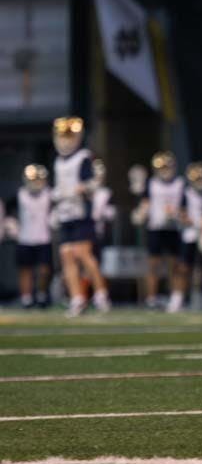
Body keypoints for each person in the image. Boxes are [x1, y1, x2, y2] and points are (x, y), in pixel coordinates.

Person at [51, 117, 109, 317]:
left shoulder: (83, 157)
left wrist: (82, 188)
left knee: (83, 254)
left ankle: (101, 294)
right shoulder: (58, 160)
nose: (65, 140)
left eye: (69, 136)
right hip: (65, 213)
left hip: (81, 212)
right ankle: (77, 298)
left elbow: (93, 183)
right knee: (66, 255)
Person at [135, 152, 185, 309]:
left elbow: (185, 208)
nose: (165, 170)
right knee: (153, 265)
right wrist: (141, 213)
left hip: (174, 228)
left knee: (175, 265)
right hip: (155, 228)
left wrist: (177, 214)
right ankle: (151, 298)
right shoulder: (152, 184)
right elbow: (145, 203)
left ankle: (176, 297)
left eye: (167, 166)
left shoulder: (180, 183)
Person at [13, 165, 53, 309]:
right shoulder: (20, 194)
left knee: (44, 270)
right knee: (25, 270)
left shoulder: (49, 194)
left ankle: (41, 294)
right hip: (25, 238)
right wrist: (12, 225)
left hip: (43, 238)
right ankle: (26, 298)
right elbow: (12, 213)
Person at [171, 162, 202, 313]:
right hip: (190, 235)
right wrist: (191, 221)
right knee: (183, 267)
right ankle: (178, 296)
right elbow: (181, 213)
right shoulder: (186, 194)